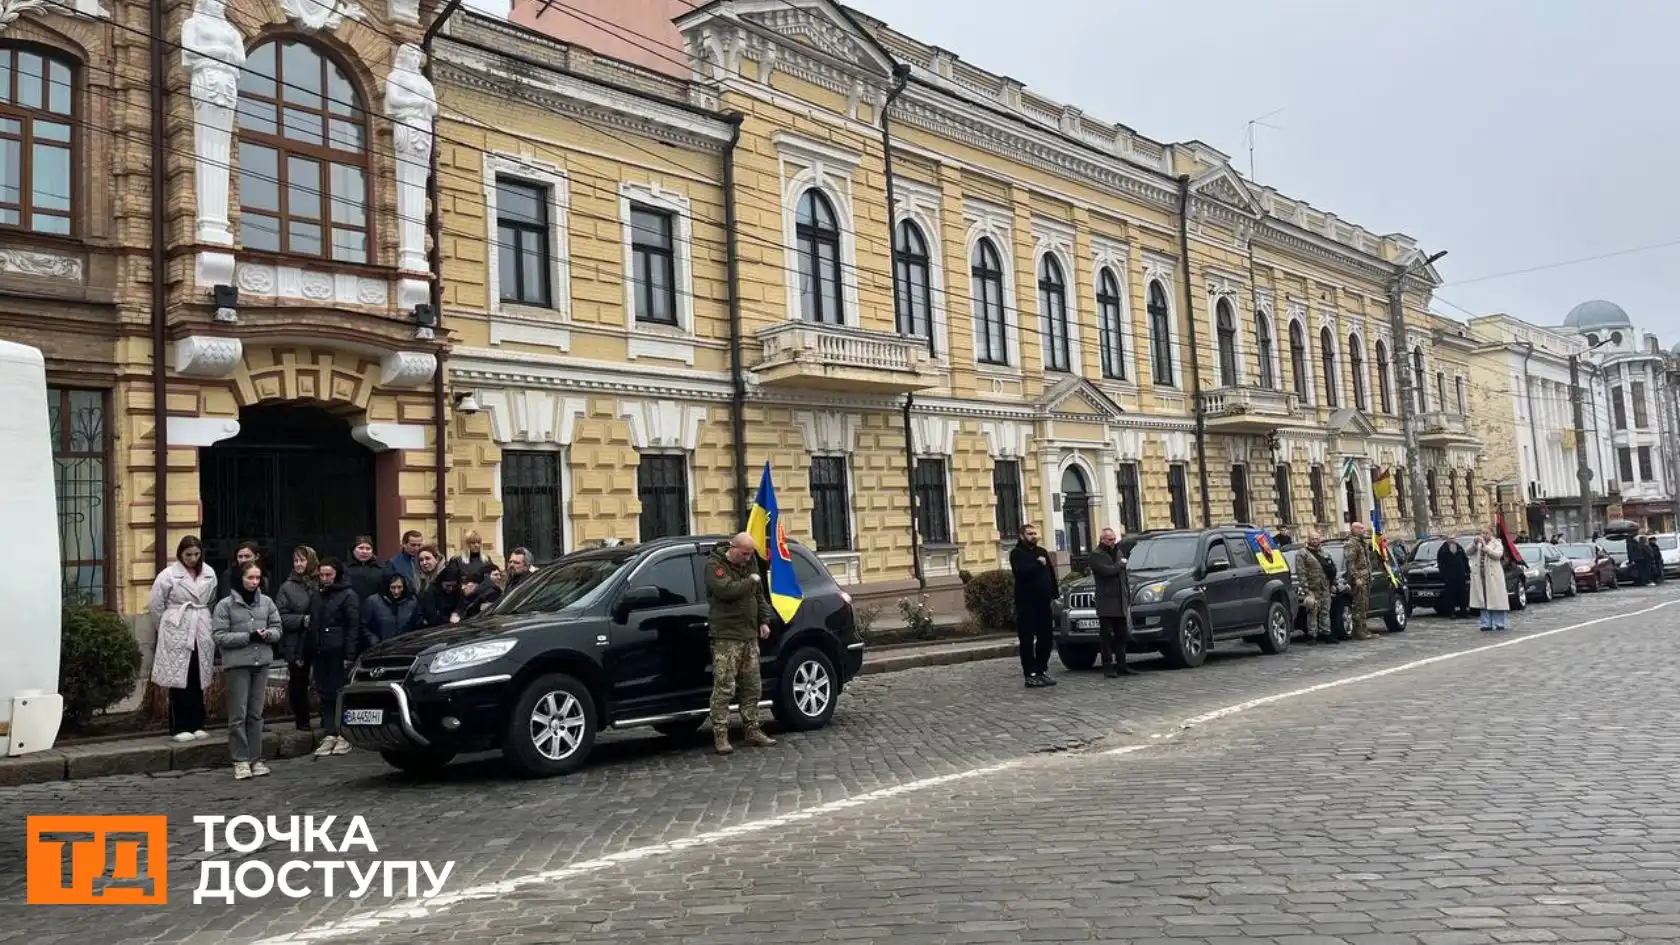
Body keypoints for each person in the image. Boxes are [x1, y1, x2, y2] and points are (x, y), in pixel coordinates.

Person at [704, 533, 777, 755]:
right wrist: (751, 581)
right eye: (744, 553)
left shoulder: (750, 562)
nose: (747, 558)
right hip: (727, 636)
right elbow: (726, 590)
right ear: (732, 548)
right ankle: (721, 733)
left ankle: (752, 728)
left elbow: (759, 595)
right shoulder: (715, 565)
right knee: (725, 686)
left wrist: (764, 620)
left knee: (752, 685)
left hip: (749, 634)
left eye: (750, 554)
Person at [212, 562, 282, 780]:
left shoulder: (267, 602)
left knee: (256, 714)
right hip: (237, 664)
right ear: (240, 579)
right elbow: (219, 636)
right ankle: (240, 760)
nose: (254, 582)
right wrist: (247, 637)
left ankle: (256, 758)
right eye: (250, 578)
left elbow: (278, 628)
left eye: (257, 578)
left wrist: (267, 634)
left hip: (261, 663)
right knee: (238, 714)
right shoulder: (225, 605)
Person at [148, 536, 219, 742]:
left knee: (198, 677)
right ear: (180, 554)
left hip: (201, 627)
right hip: (177, 627)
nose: (192, 558)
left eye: (196, 554)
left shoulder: (209, 573)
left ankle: (198, 724)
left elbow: (212, 601)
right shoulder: (168, 575)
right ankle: (179, 727)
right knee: (179, 678)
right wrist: (166, 626)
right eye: (188, 555)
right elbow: (155, 605)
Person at [309, 558, 361, 757]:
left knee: (340, 692)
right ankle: (329, 732)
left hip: (339, 650)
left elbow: (353, 626)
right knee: (325, 693)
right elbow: (314, 622)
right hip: (320, 650)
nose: (325, 578)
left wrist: (349, 654)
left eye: (329, 575)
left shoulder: (348, 595)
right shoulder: (318, 595)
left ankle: (344, 733)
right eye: (322, 575)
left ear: (337, 574)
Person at [275, 544, 319, 732]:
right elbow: (280, 616)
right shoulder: (287, 587)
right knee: (298, 683)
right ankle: (302, 721)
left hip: (319, 640)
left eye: (302, 560)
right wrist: (302, 620)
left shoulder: (320, 583)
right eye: (296, 560)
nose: (299, 564)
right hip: (297, 642)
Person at [1009, 523, 1059, 688]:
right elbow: (1020, 573)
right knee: (1027, 640)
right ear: (1022, 536)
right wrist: (1037, 564)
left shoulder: (1042, 552)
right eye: (1030, 534)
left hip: (1043, 602)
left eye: (1034, 534)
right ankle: (1030, 674)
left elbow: (1051, 574)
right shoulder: (1017, 553)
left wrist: (1055, 595)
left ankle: (1041, 670)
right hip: (1026, 603)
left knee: (1046, 639)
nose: (1033, 536)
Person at [1087, 527, 1132, 678]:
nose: (1113, 542)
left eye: (1114, 539)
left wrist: (1127, 595)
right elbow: (1107, 571)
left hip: (1120, 601)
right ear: (1102, 540)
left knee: (1121, 636)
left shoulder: (1118, 552)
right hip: (1106, 602)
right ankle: (1108, 666)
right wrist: (1120, 564)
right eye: (1110, 539)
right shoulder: (1096, 555)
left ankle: (1122, 665)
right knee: (1106, 636)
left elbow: (1123, 577)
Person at [1292, 530, 1334, 645]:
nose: (1315, 541)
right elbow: (1301, 572)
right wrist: (1306, 588)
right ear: (1308, 540)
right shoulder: (1302, 553)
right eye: (1312, 539)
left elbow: (1331, 569)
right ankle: (1312, 635)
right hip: (1311, 588)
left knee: (1325, 611)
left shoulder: (1325, 552)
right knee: (1312, 611)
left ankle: (1326, 633)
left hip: (1324, 587)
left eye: (1317, 539)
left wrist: (1332, 584)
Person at [362, 572, 423, 645]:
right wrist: (374, 641)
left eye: (399, 587)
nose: (396, 591)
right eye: (393, 587)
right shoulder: (373, 601)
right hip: (381, 647)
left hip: (405, 646)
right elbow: (363, 626)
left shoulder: (412, 602)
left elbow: (418, 625)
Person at [1470, 526, 1510, 631]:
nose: (1483, 535)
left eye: (1486, 533)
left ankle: (1499, 623)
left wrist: (1486, 548)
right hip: (1481, 576)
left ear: (1491, 534)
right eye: (1482, 533)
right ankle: (1485, 623)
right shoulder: (1478, 544)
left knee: (1496, 600)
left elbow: (1498, 555)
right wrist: (1474, 543)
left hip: (1493, 577)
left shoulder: (1497, 543)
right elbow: (1468, 552)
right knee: (1483, 599)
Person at [1344, 522, 1373, 640]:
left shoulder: (1362, 542)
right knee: (1359, 605)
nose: (1363, 530)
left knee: (1364, 605)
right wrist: (1356, 578)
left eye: (1363, 528)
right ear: (1354, 529)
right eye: (1360, 528)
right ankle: (1359, 631)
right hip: (1359, 579)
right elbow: (1350, 563)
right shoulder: (1351, 543)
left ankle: (1364, 629)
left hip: (1366, 577)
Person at [419, 560, 465, 627]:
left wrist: (457, 613)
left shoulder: (457, 590)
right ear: (441, 582)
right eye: (448, 586)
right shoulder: (430, 592)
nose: (451, 589)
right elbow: (431, 616)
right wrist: (448, 621)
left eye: (453, 586)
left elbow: (461, 605)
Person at [1436, 537, 1471, 619]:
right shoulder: (1442, 549)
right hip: (1449, 576)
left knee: (1462, 594)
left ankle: (1463, 611)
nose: (1452, 540)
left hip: (1460, 575)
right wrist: (1444, 575)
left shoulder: (1459, 547)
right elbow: (1440, 564)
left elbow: (1465, 559)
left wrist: (1467, 570)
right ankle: (1451, 612)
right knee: (1450, 595)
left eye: (1453, 538)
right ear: (1447, 539)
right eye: (1450, 538)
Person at [344, 536, 386, 602]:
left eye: (368, 549)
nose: (364, 551)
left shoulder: (381, 568)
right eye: (361, 548)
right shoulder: (344, 568)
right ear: (353, 550)